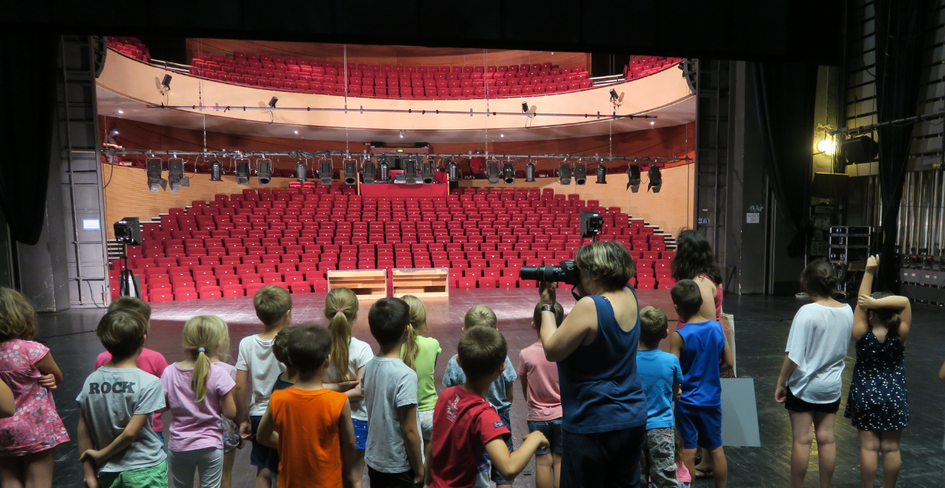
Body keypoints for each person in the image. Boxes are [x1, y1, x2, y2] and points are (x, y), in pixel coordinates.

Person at [537, 240, 648, 487]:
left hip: (593, 421)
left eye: (582, 270)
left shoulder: (591, 306)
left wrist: (547, 304)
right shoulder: (630, 293)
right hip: (632, 417)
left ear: (596, 273)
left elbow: (552, 349)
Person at [428, 326, 550, 488]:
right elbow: (508, 468)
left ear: (459, 361)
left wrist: (427, 482)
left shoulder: (446, 395)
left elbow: (432, 444)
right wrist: (535, 438)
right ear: (502, 369)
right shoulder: (484, 415)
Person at [774, 260, 853, 488]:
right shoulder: (847, 310)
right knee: (827, 439)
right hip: (832, 386)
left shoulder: (807, 312)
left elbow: (794, 355)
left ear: (807, 283)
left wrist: (782, 382)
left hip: (804, 386)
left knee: (802, 440)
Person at [257, 325, 359, 488]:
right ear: (327, 360)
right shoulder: (338, 401)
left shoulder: (279, 398)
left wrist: (291, 443)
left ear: (290, 359)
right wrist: (348, 475)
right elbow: (350, 444)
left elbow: (262, 435)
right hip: (327, 482)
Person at [77, 310, 167, 488]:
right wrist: (102, 454)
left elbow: (83, 427)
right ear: (143, 340)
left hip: (106, 471)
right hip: (145, 469)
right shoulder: (149, 382)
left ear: (104, 341)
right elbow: (131, 432)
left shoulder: (91, 380)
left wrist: (89, 473)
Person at [845, 255, 912, 488]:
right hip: (894, 395)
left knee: (868, 447)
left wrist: (869, 272)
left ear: (870, 313)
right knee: (892, 448)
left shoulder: (862, 333)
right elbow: (905, 302)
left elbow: (861, 304)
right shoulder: (899, 335)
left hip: (864, 396)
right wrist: (876, 303)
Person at [0, 288, 69, 488]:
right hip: (35, 426)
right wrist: (50, 377)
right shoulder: (32, 350)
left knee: (8, 479)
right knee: (38, 481)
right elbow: (58, 376)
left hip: (3, 425)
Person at [442, 305, 517, 488]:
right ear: (496, 333)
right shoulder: (503, 359)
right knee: (503, 474)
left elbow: (450, 393)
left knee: (474, 467)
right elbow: (510, 394)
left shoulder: (455, 361)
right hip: (499, 419)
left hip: (466, 421)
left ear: (464, 332)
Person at [669, 280, 733, 488]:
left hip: (687, 402)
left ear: (677, 307)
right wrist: (713, 371)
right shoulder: (716, 328)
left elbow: (673, 370)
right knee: (715, 448)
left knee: (687, 450)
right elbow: (729, 363)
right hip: (711, 399)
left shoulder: (679, 336)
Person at [162, 315, 238, 488]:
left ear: (185, 343)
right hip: (211, 444)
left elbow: (162, 406)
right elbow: (230, 413)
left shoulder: (169, 372)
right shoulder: (220, 373)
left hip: (179, 445)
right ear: (218, 344)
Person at [363, 298, 424, 488]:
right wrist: (420, 470)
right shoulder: (406, 375)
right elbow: (410, 431)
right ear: (407, 331)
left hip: (375, 460)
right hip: (400, 466)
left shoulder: (369, 366)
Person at [236, 285, 291, 488]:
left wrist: (243, 419)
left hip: (260, 415)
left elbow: (240, 387)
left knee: (263, 470)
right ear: (288, 314)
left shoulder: (247, 343)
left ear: (258, 314)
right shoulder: (293, 340)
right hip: (289, 411)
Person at [94, 297, 169, 446]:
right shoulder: (156, 358)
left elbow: (99, 396)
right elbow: (167, 397)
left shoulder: (102, 359)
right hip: (150, 430)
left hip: (111, 429)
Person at [323, 287, 374, 487]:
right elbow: (361, 390)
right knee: (355, 478)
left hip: (326, 417)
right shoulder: (363, 349)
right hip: (358, 420)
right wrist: (341, 387)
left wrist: (329, 388)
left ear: (327, 313)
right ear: (355, 314)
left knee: (330, 476)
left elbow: (311, 386)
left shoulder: (318, 344)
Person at [518, 302, 565, 488]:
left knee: (543, 462)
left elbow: (525, 387)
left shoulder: (526, 354)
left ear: (534, 325)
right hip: (563, 415)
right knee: (560, 461)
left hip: (537, 416)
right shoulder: (565, 352)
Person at [637, 306, 683, 488]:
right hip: (662, 429)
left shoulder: (628, 361)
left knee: (636, 478)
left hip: (635, 427)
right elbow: (675, 391)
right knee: (665, 479)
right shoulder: (671, 360)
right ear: (666, 333)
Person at [401, 295, 442, 465]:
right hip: (430, 413)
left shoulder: (395, 348)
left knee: (410, 461)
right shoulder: (432, 344)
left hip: (406, 414)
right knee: (430, 465)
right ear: (422, 319)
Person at [204, 316, 242, 488]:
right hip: (223, 428)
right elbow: (231, 407)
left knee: (205, 478)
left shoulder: (186, 370)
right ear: (220, 342)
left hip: (198, 429)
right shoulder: (229, 370)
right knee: (224, 476)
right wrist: (240, 426)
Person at [670, 230, 724, 325]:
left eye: (678, 250)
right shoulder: (700, 278)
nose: (675, 252)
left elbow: (708, 328)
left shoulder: (701, 283)